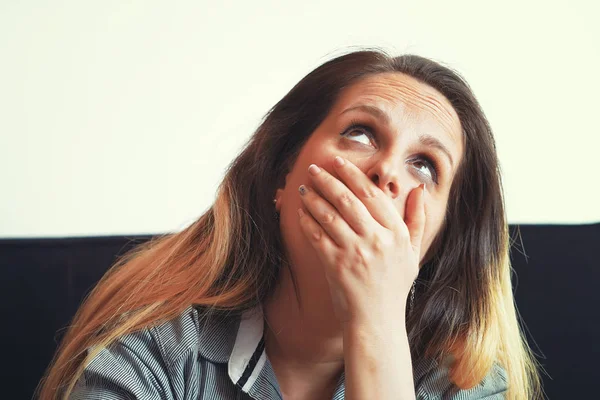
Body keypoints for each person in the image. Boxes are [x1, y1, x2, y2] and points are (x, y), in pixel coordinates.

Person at [37, 48, 543, 400]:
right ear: (283, 176)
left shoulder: (465, 384)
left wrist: (377, 322)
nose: (387, 170)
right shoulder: (154, 348)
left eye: (425, 165)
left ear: (434, 245)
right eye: (362, 133)